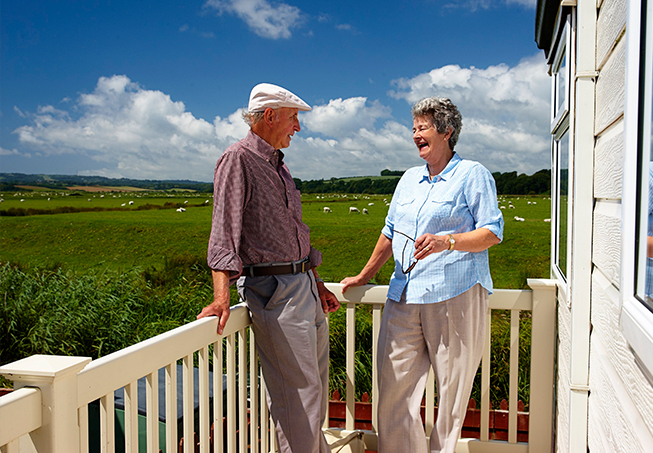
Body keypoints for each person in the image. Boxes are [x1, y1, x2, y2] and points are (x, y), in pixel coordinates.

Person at [340, 97, 504, 453]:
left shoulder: (472, 174)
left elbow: (491, 232)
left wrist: (448, 241)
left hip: (455, 293)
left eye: (423, 127)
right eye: (413, 128)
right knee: (394, 390)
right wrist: (365, 275)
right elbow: (389, 232)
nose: (415, 134)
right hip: (404, 295)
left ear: (446, 131)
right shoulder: (409, 179)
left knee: (451, 394)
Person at [197, 83, 340, 453]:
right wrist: (220, 296)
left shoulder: (279, 165)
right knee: (298, 395)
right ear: (271, 115)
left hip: (303, 285)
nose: (297, 127)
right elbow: (224, 232)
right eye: (293, 118)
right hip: (275, 291)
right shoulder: (238, 158)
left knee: (315, 390)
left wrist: (317, 283)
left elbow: (293, 236)